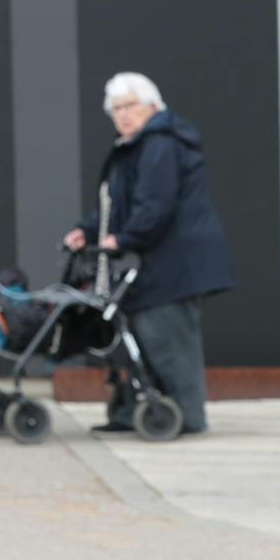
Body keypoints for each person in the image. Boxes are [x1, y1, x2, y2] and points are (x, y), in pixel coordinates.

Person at [63, 73, 234, 434]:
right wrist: (89, 231)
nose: (123, 115)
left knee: (168, 341)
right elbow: (118, 205)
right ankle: (135, 413)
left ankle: (185, 418)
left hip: (175, 264)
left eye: (130, 106)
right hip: (156, 262)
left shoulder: (160, 145)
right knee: (140, 341)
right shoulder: (134, 147)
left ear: (153, 106)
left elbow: (154, 206)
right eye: (116, 109)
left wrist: (124, 240)